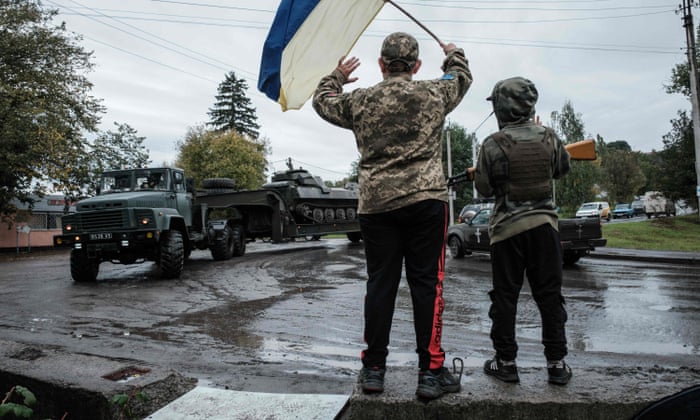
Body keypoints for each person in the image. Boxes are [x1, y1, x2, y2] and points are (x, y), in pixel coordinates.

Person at [312, 32, 472, 399]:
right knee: (427, 284)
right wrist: (453, 54)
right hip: (426, 202)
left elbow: (323, 102)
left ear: (381, 65)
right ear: (416, 66)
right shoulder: (435, 92)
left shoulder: (362, 100)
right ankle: (430, 374)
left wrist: (336, 76)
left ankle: (373, 371)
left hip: (377, 205)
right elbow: (460, 77)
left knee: (380, 284)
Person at [474, 76, 573, 385]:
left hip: (506, 233)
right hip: (545, 228)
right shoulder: (550, 137)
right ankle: (556, 365)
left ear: (502, 107)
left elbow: (484, 188)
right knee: (550, 298)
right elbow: (562, 169)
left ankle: (506, 364)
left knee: (505, 299)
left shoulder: (492, 144)